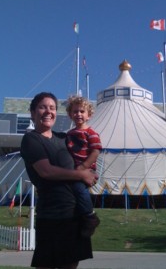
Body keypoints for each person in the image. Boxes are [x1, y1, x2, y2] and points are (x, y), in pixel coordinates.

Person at [20, 92, 98, 269]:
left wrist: (90, 172)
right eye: (42, 107)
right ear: (33, 113)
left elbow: (87, 153)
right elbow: (46, 171)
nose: (48, 111)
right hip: (52, 215)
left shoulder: (65, 138)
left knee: (70, 265)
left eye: (52, 108)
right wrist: (81, 175)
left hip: (74, 215)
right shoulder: (31, 139)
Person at [66, 96, 102, 237]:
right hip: (72, 170)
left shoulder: (91, 133)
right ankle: (79, 217)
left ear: (89, 115)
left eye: (82, 111)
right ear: (70, 114)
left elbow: (95, 151)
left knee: (79, 189)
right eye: (75, 111)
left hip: (85, 169)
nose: (78, 114)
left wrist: (83, 167)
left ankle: (90, 216)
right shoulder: (69, 134)